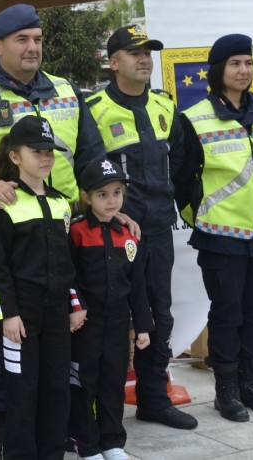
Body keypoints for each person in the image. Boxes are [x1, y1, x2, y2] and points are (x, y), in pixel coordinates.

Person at [0, 4, 110, 458]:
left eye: (37, 38)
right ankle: (3, 430)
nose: (32, 46)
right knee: (4, 338)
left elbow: (90, 158)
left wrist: (110, 206)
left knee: (64, 343)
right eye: (21, 39)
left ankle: (58, 429)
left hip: (62, 243)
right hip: (0, 246)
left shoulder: (66, 92)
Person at [85, 25, 196, 430]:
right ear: (114, 63)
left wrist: (168, 204)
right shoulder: (93, 108)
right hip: (111, 237)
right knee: (106, 319)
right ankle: (95, 410)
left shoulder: (165, 107)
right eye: (135, 53)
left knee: (158, 317)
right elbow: (86, 168)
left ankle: (153, 398)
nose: (145, 59)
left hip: (158, 232)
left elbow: (182, 162)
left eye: (149, 52)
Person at [174, 34, 253, 422]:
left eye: (248, 63)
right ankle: (225, 391)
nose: (243, 70)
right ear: (217, 69)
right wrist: (201, 216)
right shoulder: (195, 118)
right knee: (227, 314)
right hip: (221, 239)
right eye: (235, 63)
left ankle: (250, 385)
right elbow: (182, 179)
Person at [0, 116, 84, 460]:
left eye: (50, 152)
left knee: (58, 389)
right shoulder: (6, 205)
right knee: (22, 392)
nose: (46, 158)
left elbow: (67, 264)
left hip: (58, 313)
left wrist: (75, 303)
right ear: (15, 156)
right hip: (21, 316)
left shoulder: (61, 203)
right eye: (37, 151)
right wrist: (8, 315)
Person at [68, 158, 154, 460]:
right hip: (86, 326)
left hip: (118, 324)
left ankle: (112, 442)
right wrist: (76, 309)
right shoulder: (76, 231)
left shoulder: (128, 234)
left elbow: (138, 284)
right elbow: (69, 276)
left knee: (113, 383)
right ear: (86, 197)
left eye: (117, 192)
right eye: (102, 194)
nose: (111, 200)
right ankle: (87, 443)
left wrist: (142, 326)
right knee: (83, 384)